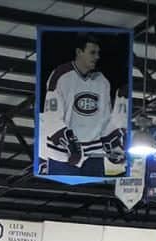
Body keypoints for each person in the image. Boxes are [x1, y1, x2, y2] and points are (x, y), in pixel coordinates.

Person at [38, 33, 124, 178]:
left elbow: (105, 120)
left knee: (94, 197)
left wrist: (114, 145)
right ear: (79, 52)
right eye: (92, 52)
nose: (97, 57)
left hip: (93, 156)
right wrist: (69, 143)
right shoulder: (60, 75)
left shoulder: (102, 81)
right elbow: (51, 117)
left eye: (98, 53)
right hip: (63, 156)